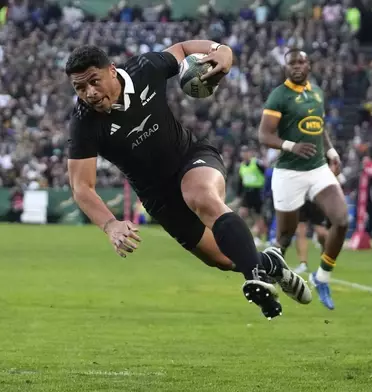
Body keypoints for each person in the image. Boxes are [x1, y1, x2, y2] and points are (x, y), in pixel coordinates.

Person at [65, 42, 311, 321]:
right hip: (158, 197)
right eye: (80, 88)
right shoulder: (83, 124)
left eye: (94, 82)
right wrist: (110, 225)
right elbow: (81, 186)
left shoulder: (145, 69)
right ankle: (270, 265)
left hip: (190, 158)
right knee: (223, 258)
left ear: (112, 71)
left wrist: (221, 50)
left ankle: (256, 277)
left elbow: (181, 49)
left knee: (201, 196)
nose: (90, 93)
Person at [258, 48, 349, 310]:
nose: (297, 66)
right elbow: (264, 135)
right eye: (292, 63)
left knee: (341, 220)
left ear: (309, 65)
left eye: (301, 62)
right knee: (284, 237)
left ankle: (322, 277)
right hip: (289, 173)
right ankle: (265, 283)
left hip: (318, 168)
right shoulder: (279, 96)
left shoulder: (316, 92)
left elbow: (319, 126)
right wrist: (290, 145)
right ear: (285, 67)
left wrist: (331, 150)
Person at [236, 146, 268, 246]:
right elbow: (240, 181)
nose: (245, 154)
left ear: (251, 153)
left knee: (258, 216)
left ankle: (260, 237)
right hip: (247, 192)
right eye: (243, 152)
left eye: (247, 152)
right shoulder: (241, 165)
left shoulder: (257, 163)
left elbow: (266, 174)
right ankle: (242, 234)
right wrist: (239, 194)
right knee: (242, 212)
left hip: (257, 192)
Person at [293, 200, 329, 274]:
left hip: (316, 198)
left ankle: (325, 254)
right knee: (300, 230)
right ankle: (303, 264)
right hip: (301, 198)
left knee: (321, 233)